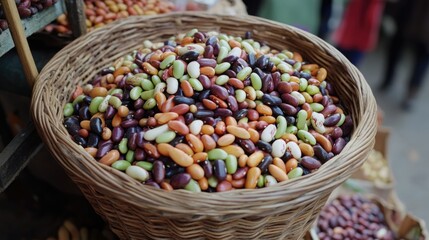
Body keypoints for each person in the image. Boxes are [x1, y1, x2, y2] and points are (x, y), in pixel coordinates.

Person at [378, 0, 429, 110]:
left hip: (423, 22)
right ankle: (388, 79)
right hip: (407, 13)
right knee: (395, 48)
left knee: (422, 57)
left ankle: (411, 92)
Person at [332, 0, 385, 66]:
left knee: (336, 62)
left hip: (349, 34)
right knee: (348, 67)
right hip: (357, 36)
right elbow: (370, 18)